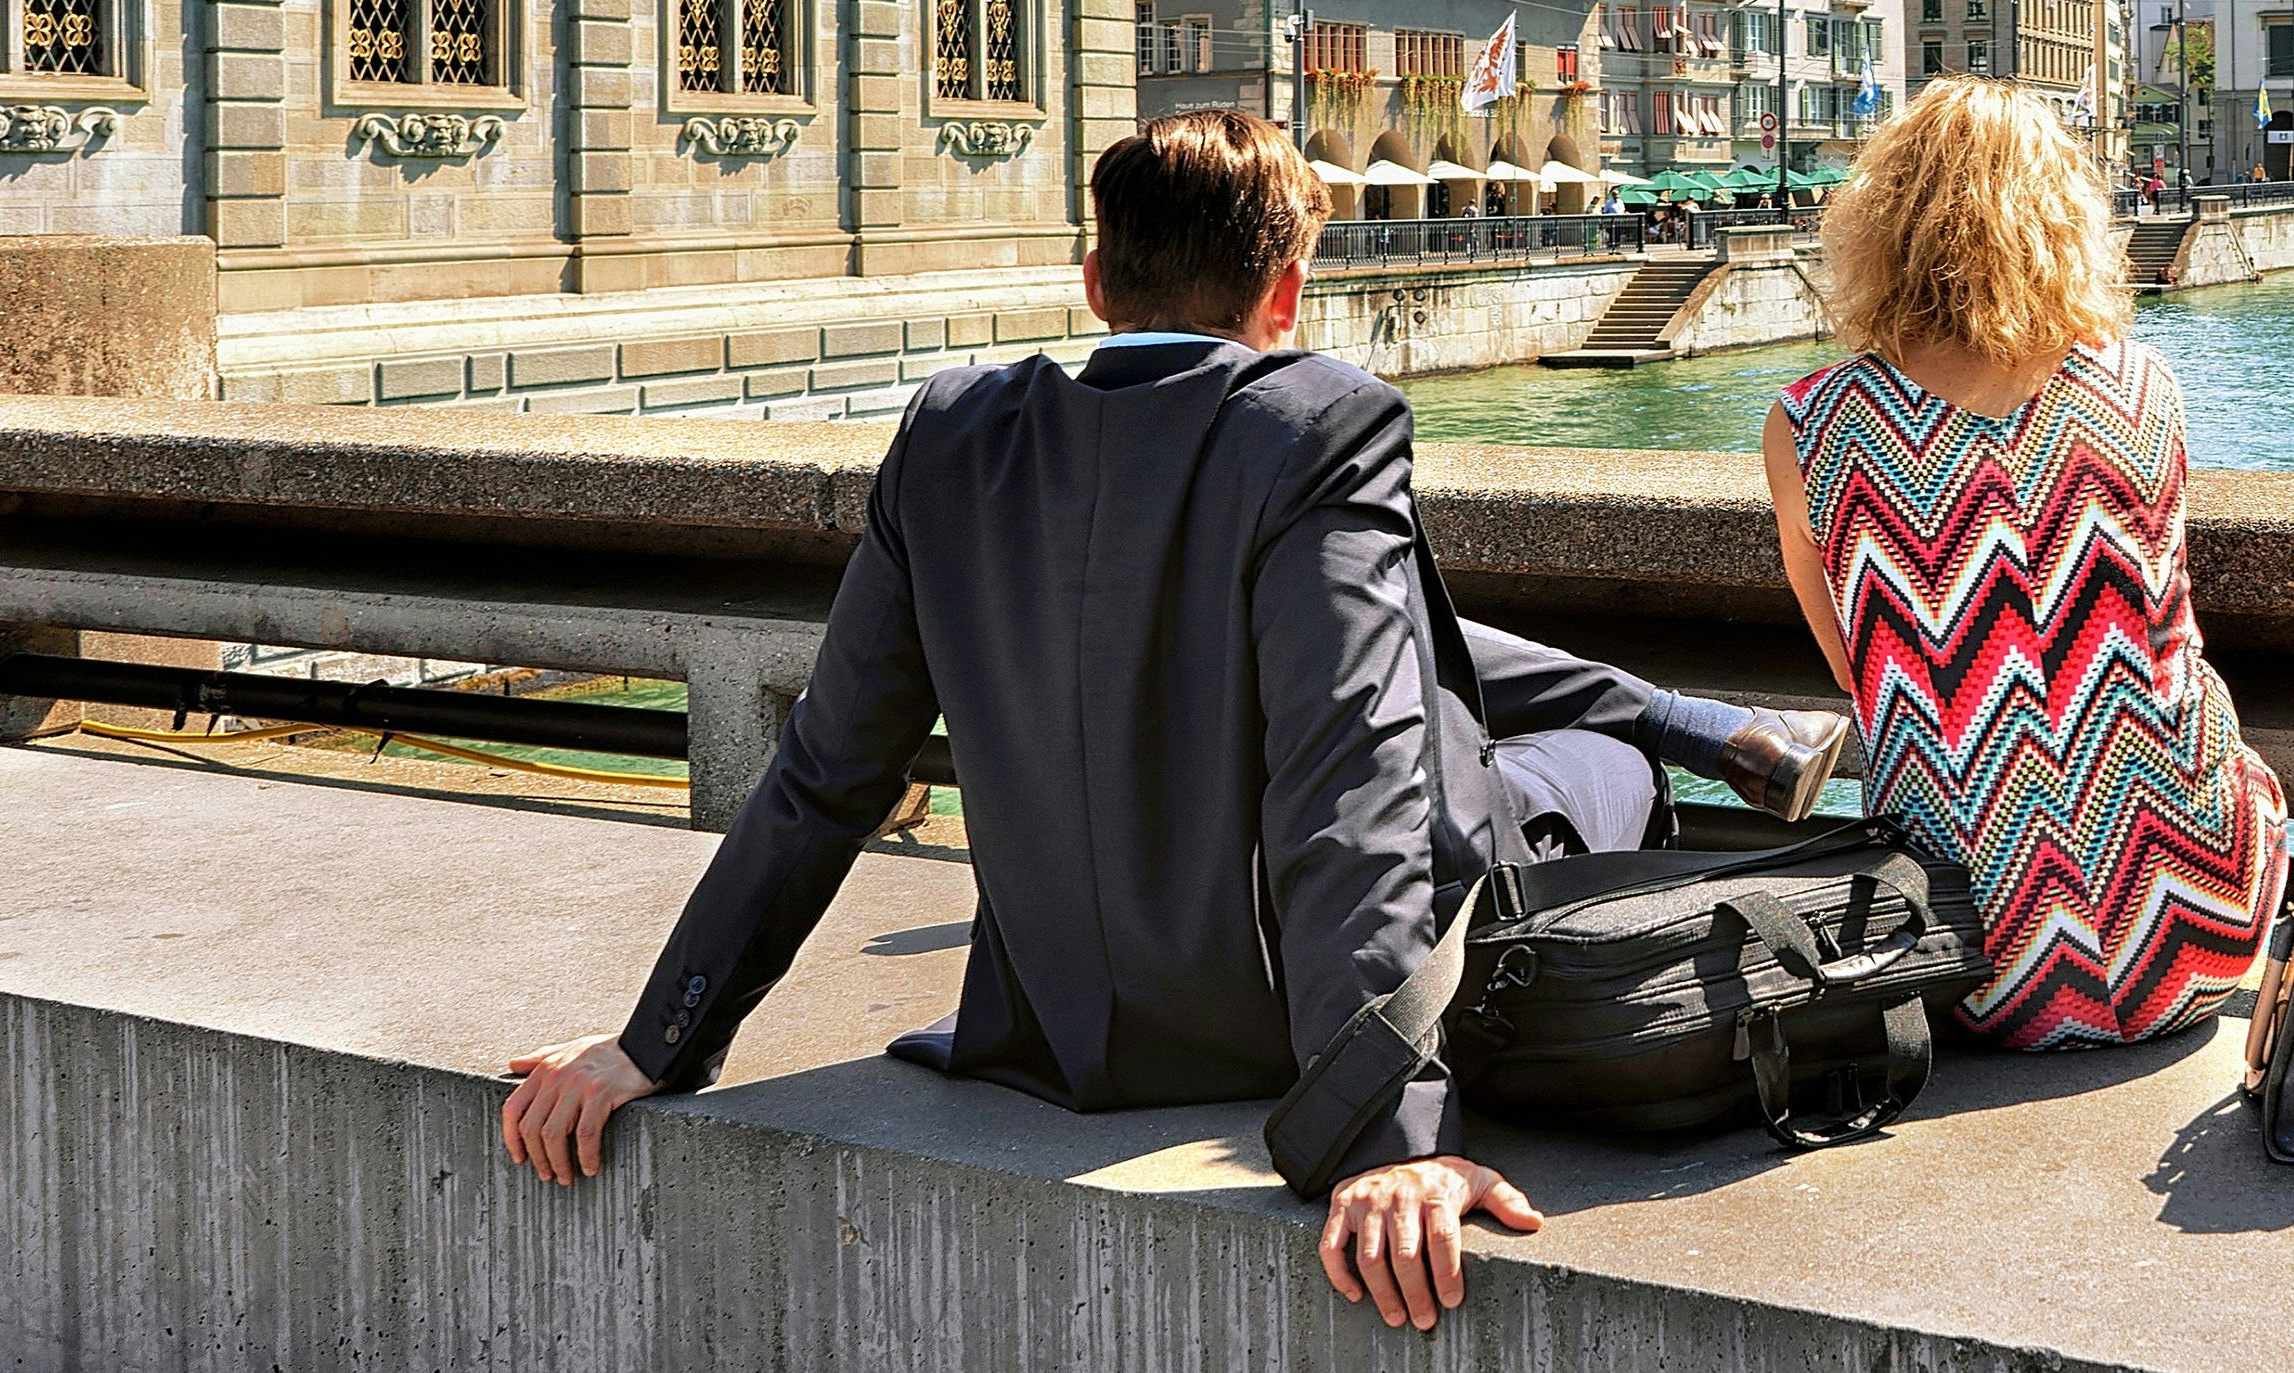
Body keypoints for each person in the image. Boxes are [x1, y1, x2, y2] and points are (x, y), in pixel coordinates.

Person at [498, 110, 1847, 1334]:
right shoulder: (1326, 423)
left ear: (1096, 284)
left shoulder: (956, 431)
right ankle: (1674, 725)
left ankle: (1696, 719)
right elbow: (1353, 780)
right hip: (1284, 1021)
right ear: (1289, 291)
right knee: (1571, 759)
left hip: (1065, 1043)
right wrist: (1380, 1128)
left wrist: (654, 1039)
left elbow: (826, 773)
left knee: (1398, 647)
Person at [1761, 81, 2287, 1050]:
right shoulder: (2143, 387)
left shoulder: (1814, 423)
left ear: (1881, 224)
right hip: (2201, 934)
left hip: (1964, 963)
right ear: (2064, 217)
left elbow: (1855, 670)